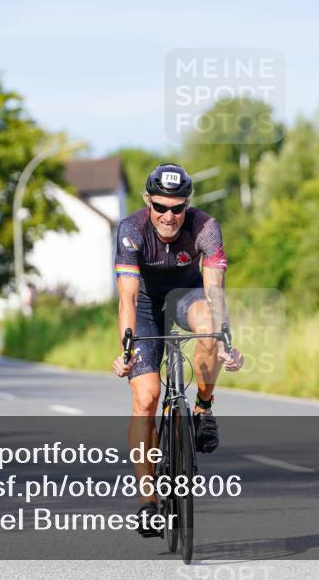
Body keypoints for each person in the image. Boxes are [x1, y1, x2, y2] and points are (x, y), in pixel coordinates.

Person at [110, 163, 243, 537]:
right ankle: (148, 500)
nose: (169, 216)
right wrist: (128, 347)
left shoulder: (206, 228)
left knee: (209, 327)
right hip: (147, 305)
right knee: (147, 397)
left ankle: (204, 406)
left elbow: (215, 290)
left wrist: (224, 338)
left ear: (188, 206)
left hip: (188, 296)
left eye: (178, 208)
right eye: (161, 207)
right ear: (147, 202)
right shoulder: (131, 230)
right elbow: (128, 298)